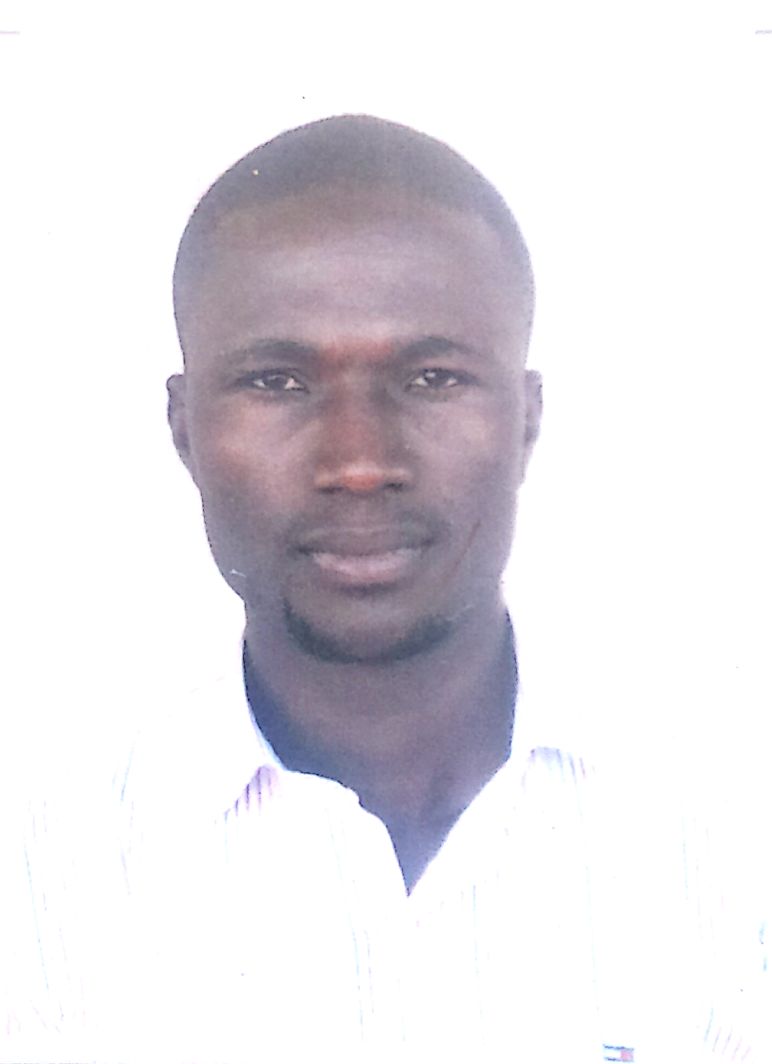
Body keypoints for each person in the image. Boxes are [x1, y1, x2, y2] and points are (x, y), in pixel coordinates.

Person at [6, 116, 766, 1063]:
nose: (360, 462)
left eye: (434, 378)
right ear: (184, 427)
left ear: (526, 420)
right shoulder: (36, 877)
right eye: (277, 382)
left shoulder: (736, 832)